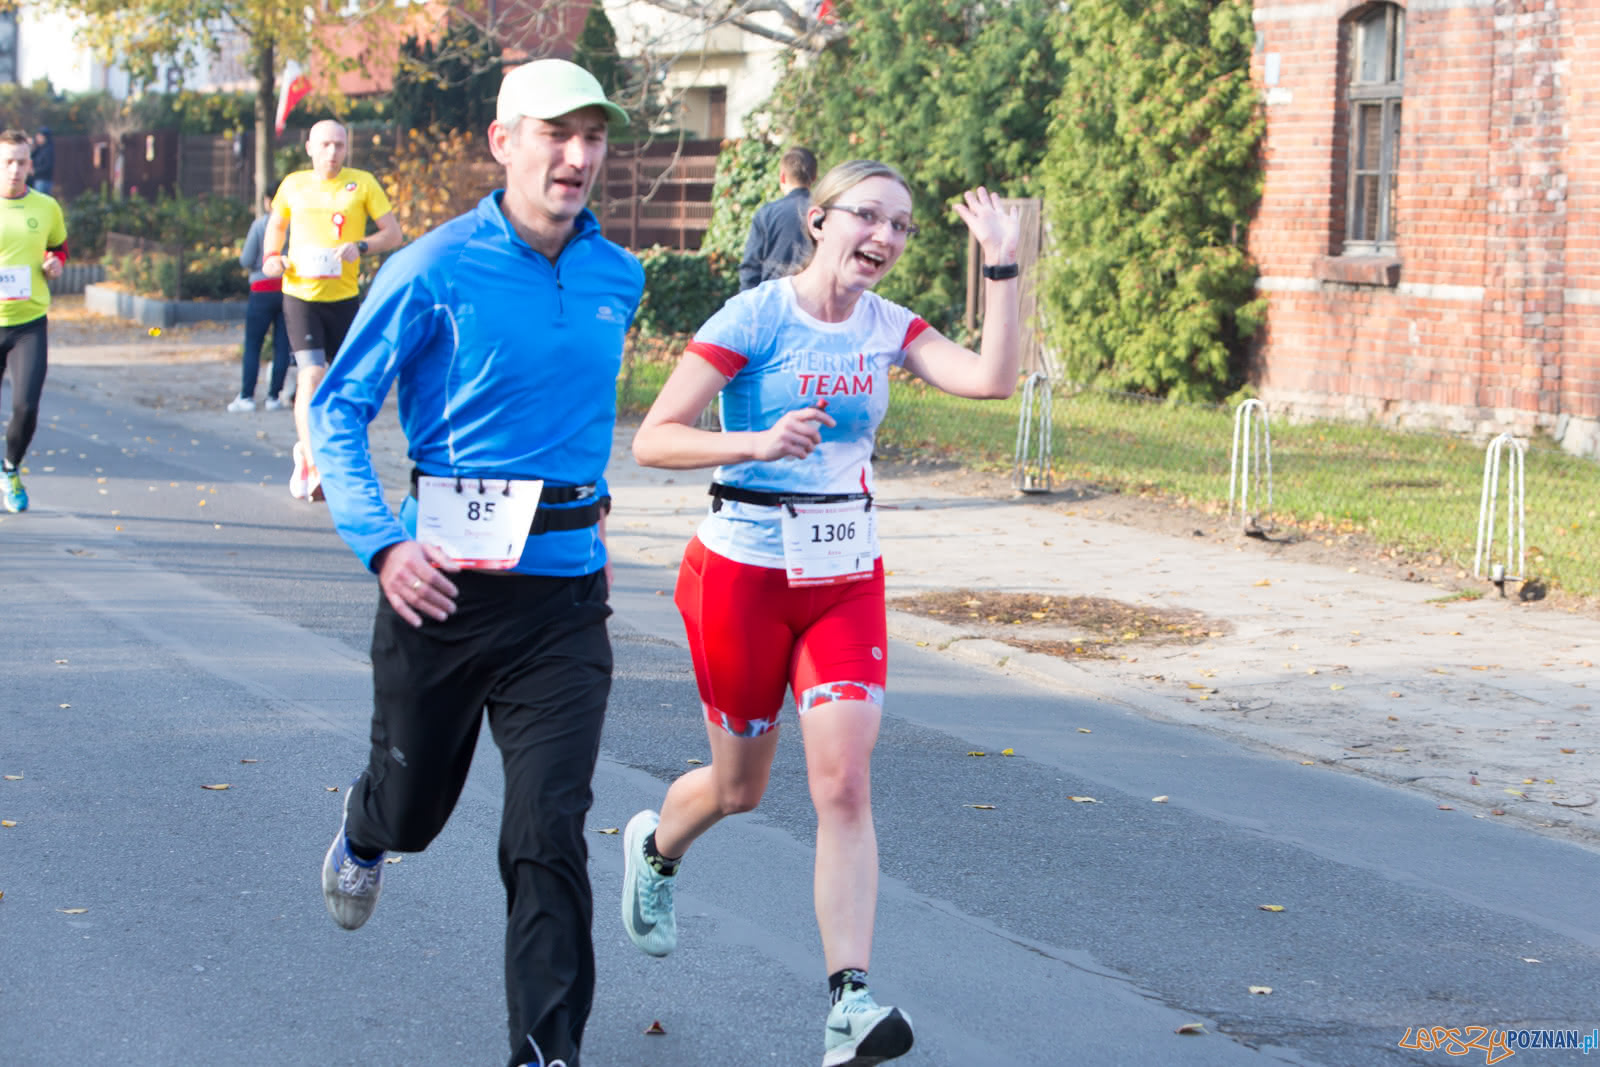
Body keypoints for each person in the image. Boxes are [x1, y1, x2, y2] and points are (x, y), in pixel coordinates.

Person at [622, 161, 1021, 1067]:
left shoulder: (889, 328)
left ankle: (849, 1001)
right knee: (741, 788)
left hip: (845, 571)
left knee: (842, 780)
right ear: (818, 221)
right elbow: (654, 436)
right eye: (868, 218)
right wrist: (755, 440)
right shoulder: (756, 318)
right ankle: (657, 845)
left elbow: (993, 379)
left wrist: (1003, 267)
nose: (884, 238)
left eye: (903, 227)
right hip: (743, 572)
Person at [309, 59, 642, 1067]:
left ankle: (545, 1050)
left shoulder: (614, 275)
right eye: (557, 133)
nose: (578, 156)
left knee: (548, 829)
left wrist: (593, 524)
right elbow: (337, 410)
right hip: (440, 589)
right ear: (503, 142)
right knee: (414, 809)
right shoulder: (433, 267)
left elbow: (573, 428)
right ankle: (367, 829)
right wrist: (383, 542)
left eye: (593, 137)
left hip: (564, 604)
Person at [261, 119, 402, 500]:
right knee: (311, 374)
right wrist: (272, 259)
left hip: (343, 298)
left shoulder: (363, 183)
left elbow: (394, 234)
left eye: (339, 145)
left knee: (344, 381)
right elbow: (275, 228)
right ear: (308, 147)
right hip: (301, 295)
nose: (332, 153)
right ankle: (311, 459)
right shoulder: (293, 184)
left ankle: (336, 452)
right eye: (324, 145)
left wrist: (363, 246)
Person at [0, 129, 67, 513]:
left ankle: (10, 469)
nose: (15, 170)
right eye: (7, 161)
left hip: (28, 323)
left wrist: (56, 263)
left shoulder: (46, 207)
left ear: (30, 163)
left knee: (26, 406)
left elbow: (58, 246)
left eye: (21, 162)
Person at [227, 182, 292, 413]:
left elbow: (245, 260)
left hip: (261, 288)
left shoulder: (260, 225)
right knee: (282, 344)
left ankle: (247, 396)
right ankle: (274, 396)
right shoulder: (297, 226)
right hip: (288, 289)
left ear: (267, 200)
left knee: (253, 344)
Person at [738, 145, 816, 290]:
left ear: (782, 177)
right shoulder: (825, 213)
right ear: (815, 177)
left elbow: (750, 268)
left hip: (772, 298)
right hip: (813, 299)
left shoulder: (767, 214)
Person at [29, 128, 54, 196]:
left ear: (44, 137)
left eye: (39, 136)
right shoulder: (40, 148)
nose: (37, 138)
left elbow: (48, 166)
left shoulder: (48, 150)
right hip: (38, 180)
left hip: (43, 181)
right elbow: (31, 156)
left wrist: (35, 171)